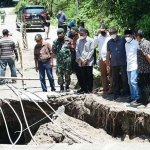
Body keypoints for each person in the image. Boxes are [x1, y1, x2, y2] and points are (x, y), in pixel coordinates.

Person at [106, 27, 129, 100]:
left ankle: (125, 92)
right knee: (115, 79)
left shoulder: (123, 39)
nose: (112, 34)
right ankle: (116, 93)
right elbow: (108, 54)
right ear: (109, 34)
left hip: (123, 63)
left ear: (116, 32)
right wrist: (107, 65)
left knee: (124, 78)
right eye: (111, 33)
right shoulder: (109, 42)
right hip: (114, 63)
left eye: (113, 32)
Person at [94, 24, 112, 94]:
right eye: (101, 30)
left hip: (109, 58)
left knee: (110, 74)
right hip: (101, 57)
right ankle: (105, 89)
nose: (102, 32)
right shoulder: (99, 36)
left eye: (103, 30)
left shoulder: (109, 36)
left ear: (106, 30)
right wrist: (96, 33)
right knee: (103, 74)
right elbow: (95, 43)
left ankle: (111, 89)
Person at [134, 29, 150, 108]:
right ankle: (147, 102)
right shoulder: (147, 42)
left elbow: (148, 57)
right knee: (146, 85)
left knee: (144, 86)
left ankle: (145, 103)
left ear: (138, 37)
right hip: (145, 68)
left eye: (135, 37)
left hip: (144, 69)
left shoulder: (143, 45)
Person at [124, 29, 141, 104]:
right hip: (128, 66)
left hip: (135, 65)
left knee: (133, 81)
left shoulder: (136, 43)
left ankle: (137, 97)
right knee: (129, 82)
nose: (127, 37)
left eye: (129, 36)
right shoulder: (126, 44)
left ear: (132, 36)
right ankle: (133, 96)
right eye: (126, 36)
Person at [76, 28, 94, 94]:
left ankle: (90, 89)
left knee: (89, 75)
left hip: (89, 61)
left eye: (82, 34)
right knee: (83, 75)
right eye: (80, 34)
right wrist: (81, 59)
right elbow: (77, 50)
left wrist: (86, 59)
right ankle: (84, 89)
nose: (81, 35)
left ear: (86, 34)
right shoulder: (78, 41)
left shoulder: (91, 40)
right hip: (81, 60)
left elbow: (91, 51)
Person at [70, 26, 83, 93]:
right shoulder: (74, 39)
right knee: (78, 74)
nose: (72, 33)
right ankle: (81, 87)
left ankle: (85, 88)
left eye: (73, 32)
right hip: (76, 59)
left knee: (83, 74)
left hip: (82, 59)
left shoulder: (81, 38)